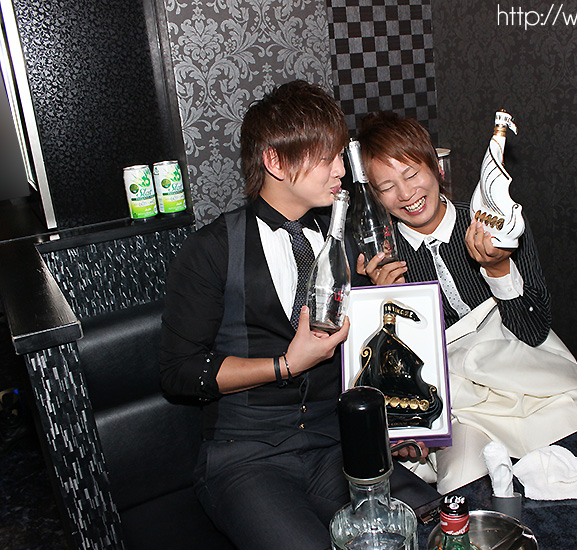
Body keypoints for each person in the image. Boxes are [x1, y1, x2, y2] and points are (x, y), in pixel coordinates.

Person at [159, 82, 435, 550]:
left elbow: (362, 356)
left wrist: (391, 422)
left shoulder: (342, 239)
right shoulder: (212, 250)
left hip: (335, 446)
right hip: (247, 458)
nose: (341, 170)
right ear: (275, 161)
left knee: (429, 526)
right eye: (327, 158)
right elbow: (180, 372)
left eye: (339, 155)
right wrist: (285, 365)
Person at [356, 111, 577, 494]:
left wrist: (499, 269)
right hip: (459, 404)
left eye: (412, 174)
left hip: (531, 377)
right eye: (387, 186)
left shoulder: (494, 224)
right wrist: (385, 301)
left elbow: (533, 330)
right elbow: (388, 371)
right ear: (374, 195)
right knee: (462, 483)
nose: (405, 194)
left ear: (436, 167)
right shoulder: (380, 259)